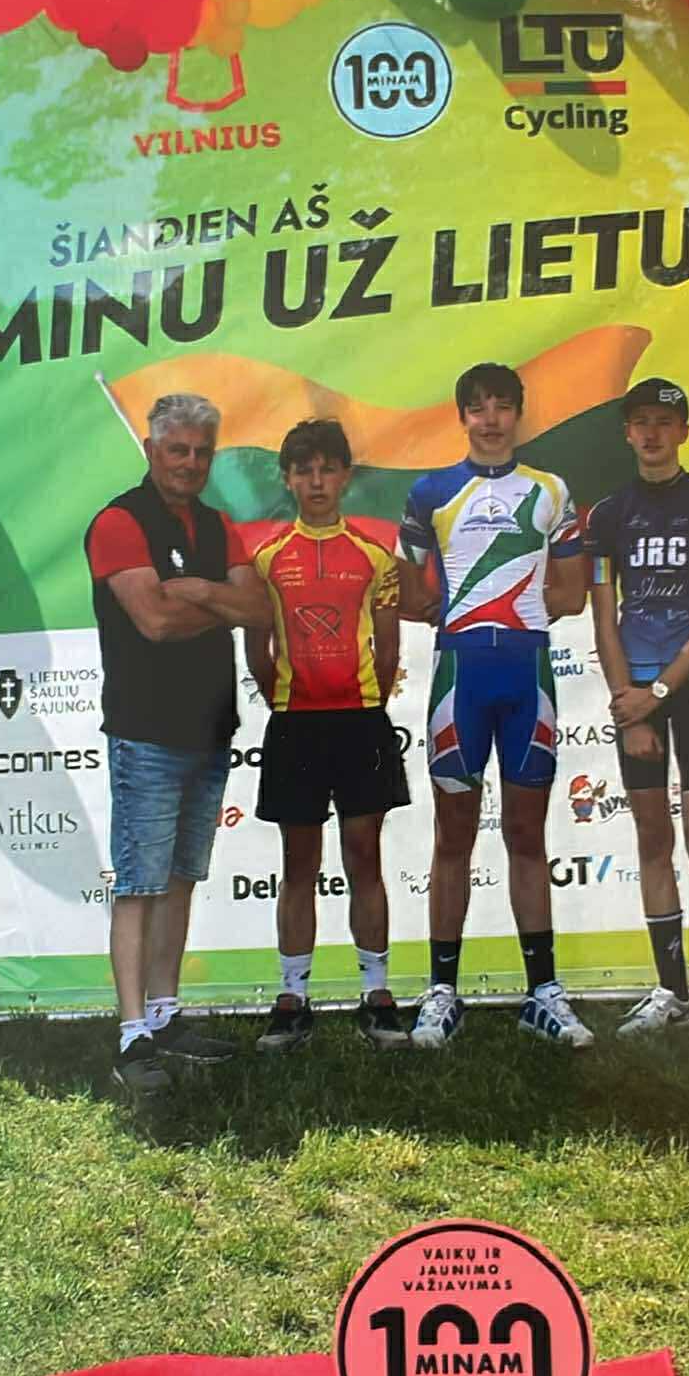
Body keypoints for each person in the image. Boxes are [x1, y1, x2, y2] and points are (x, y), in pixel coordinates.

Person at [397, 362, 594, 1049]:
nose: (490, 419)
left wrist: (523, 611)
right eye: (477, 407)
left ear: (517, 415)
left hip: (526, 674)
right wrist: (450, 612)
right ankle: (441, 991)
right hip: (460, 678)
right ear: (462, 417)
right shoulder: (430, 491)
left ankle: (544, 992)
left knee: (526, 836)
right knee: (452, 838)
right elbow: (408, 590)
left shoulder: (551, 490)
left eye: (502, 406)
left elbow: (573, 593)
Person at [86, 391, 271, 1092]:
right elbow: (155, 622)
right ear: (150, 451)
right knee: (139, 885)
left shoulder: (218, 526)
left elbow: (259, 608)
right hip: (146, 731)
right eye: (177, 450)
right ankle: (131, 1035)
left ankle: (165, 1014)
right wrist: (218, 602)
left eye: (201, 452)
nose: (190, 463)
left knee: (180, 880)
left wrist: (196, 590)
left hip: (210, 728)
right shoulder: (118, 522)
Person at [586, 376, 689, 1057]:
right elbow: (603, 619)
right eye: (641, 422)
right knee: (653, 838)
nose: (652, 433)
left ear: (683, 431)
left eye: (664, 421)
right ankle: (673, 991)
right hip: (636, 698)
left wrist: (658, 692)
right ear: (627, 433)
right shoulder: (607, 515)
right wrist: (631, 709)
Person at [246, 419, 411, 1052]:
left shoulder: (375, 554)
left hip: (361, 721)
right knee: (299, 863)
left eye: (327, 469)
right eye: (304, 470)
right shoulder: (266, 558)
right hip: (295, 725)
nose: (316, 481)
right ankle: (293, 997)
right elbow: (257, 650)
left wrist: (363, 702)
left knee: (365, 856)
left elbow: (389, 648)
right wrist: (287, 702)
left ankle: (377, 993)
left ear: (345, 476)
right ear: (288, 479)